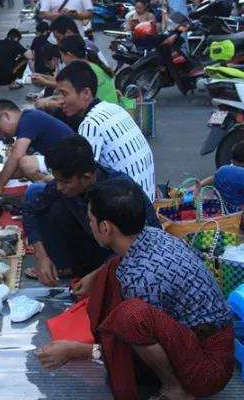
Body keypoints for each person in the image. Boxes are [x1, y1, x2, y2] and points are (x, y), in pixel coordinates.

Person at [37, 180, 234, 400]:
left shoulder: (139, 279)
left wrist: (75, 350)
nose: (88, 224)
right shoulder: (152, 234)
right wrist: (96, 276)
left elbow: (127, 352)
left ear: (105, 227)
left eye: (90, 219)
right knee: (113, 270)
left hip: (207, 370)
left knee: (129, 317)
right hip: (209, 338)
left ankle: (175, 388)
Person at [22, 135, 159, 284]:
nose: (59, 187)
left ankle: (93, 272)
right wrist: (42, 257)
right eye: (57, 180)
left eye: (65, 182)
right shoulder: (70, 182)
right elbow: (31, 208)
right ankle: (71, 266)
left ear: (86, 177)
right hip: (97, 245)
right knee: (37, 195)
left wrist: (96, 277)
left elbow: (140, 247)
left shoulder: (118, 194)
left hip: (128, 256)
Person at [56, 61, 156, 201]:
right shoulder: (113, 108)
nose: (60, 101)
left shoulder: (91, 124)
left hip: (129, 207)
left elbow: (81, 176)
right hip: (145, 198)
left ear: (86, 93)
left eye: (64, 94)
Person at [0, 100, 74, 203]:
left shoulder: (29, 119)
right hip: (63, 162)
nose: (2, 134)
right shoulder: (27, 122)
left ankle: (55, 191)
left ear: (6, 116)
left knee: (25, 162)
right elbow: (22, 169)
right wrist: (0, 175)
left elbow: (17, 158)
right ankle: (54, 189)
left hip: (71, 163)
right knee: (25, 163)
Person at [199, 140, 244, 212]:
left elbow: (214, 178)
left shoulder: (223, 170)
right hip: (237, 214)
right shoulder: (240, 175)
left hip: (223, 209)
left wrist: (197, 186)